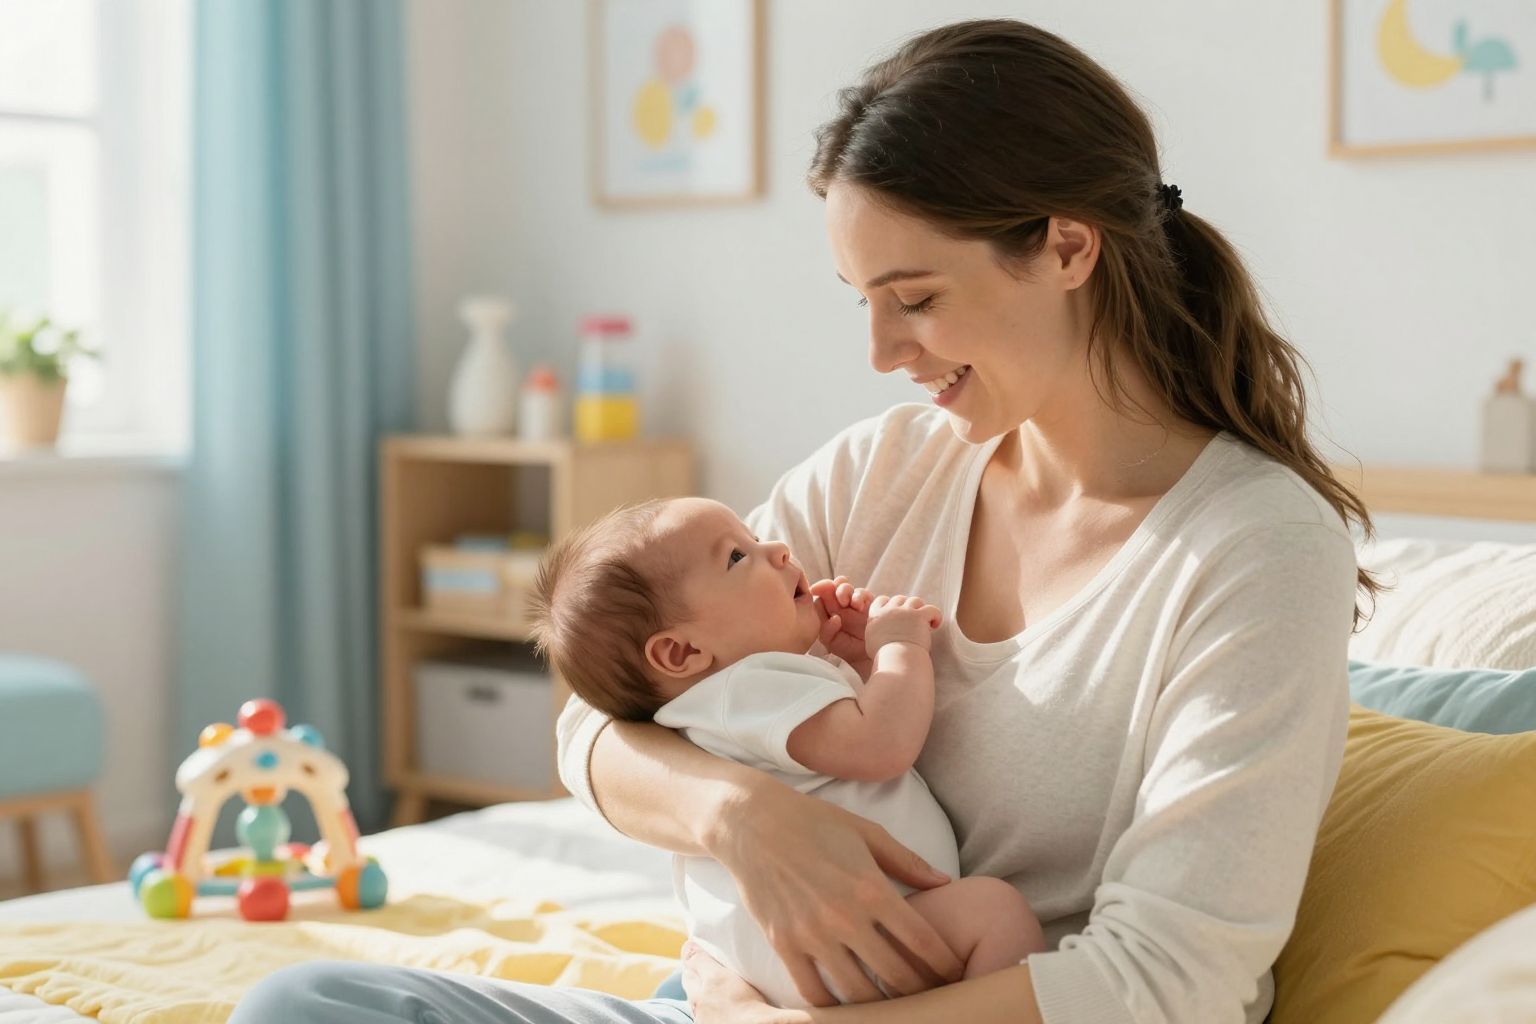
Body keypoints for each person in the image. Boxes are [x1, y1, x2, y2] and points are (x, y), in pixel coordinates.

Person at [231, 17, 1378, 1024]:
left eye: (915, 299)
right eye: (864, 303)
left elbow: (1171, 984)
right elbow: (596, 718)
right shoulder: (884, 472)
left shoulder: (1256, 549)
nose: (882, 354)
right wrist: (743, 820)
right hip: (731, 1004)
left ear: (1069, 246)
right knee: (307, 999)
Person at [524, 495, 1046, 1008]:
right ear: (680, 652)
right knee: (996, 914)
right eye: (736, 556)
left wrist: (860, 671)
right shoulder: (750, 686)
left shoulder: (707, 711)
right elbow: (881, 746)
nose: (775, 548)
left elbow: (851, 747)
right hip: (838, 947)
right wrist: (898, 647)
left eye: (752, 538)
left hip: (764, 968)